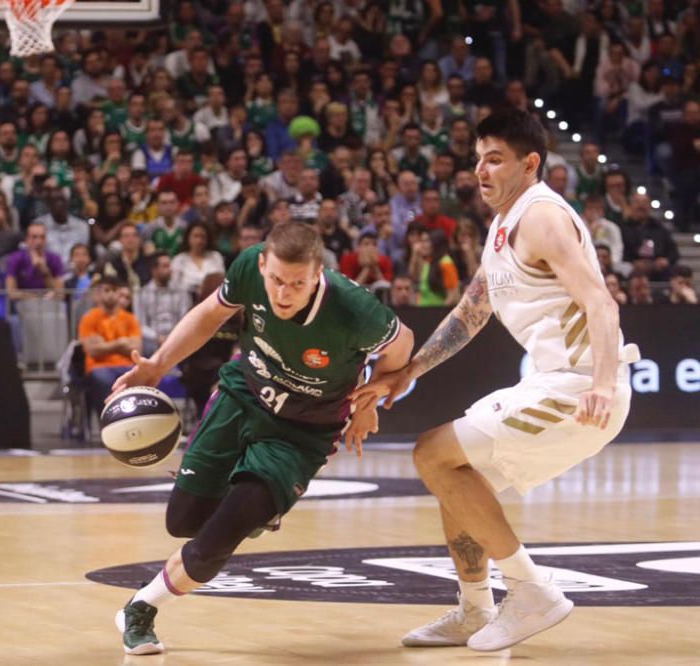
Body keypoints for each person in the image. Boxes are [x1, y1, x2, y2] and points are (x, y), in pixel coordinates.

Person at [354, 109, 639, 652]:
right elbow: (471, 312)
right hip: (555, 385)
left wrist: (602, 382)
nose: (480, 171)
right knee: (453, 476)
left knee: (432, 454)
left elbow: (601, 300)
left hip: (577, 389)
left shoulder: (541, 216)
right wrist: (409, 372)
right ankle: (474, 608)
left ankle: (531, 590)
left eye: (495, 159)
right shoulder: (504, 224)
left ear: (529, 163)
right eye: (477, 159)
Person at [110, 222, 414, 655]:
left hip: (303, 431)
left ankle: (140, 608)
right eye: (276, 279)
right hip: (242, 396)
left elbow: (403, 346)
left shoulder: (355, 311)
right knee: (183, 523)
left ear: (317, 277)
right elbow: (210, 315)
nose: (283, 293)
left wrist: (371, 398)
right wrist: (157, 364)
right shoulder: (248, 266)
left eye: (297, 284)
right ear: (263, 264)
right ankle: (251, 506)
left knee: (217, 540)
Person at [78, 275, 142, 417]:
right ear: (99, 294)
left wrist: (104, 345)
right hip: (98, 368)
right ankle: (108, 421)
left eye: (114, 290)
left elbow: (136, 349)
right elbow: (92, 350)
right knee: (103, 380)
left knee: (139, 377)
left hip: (127, 366)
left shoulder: (130, 319)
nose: (111, 294)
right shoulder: (89, 318)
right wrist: (120, 343)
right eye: (106, 290)